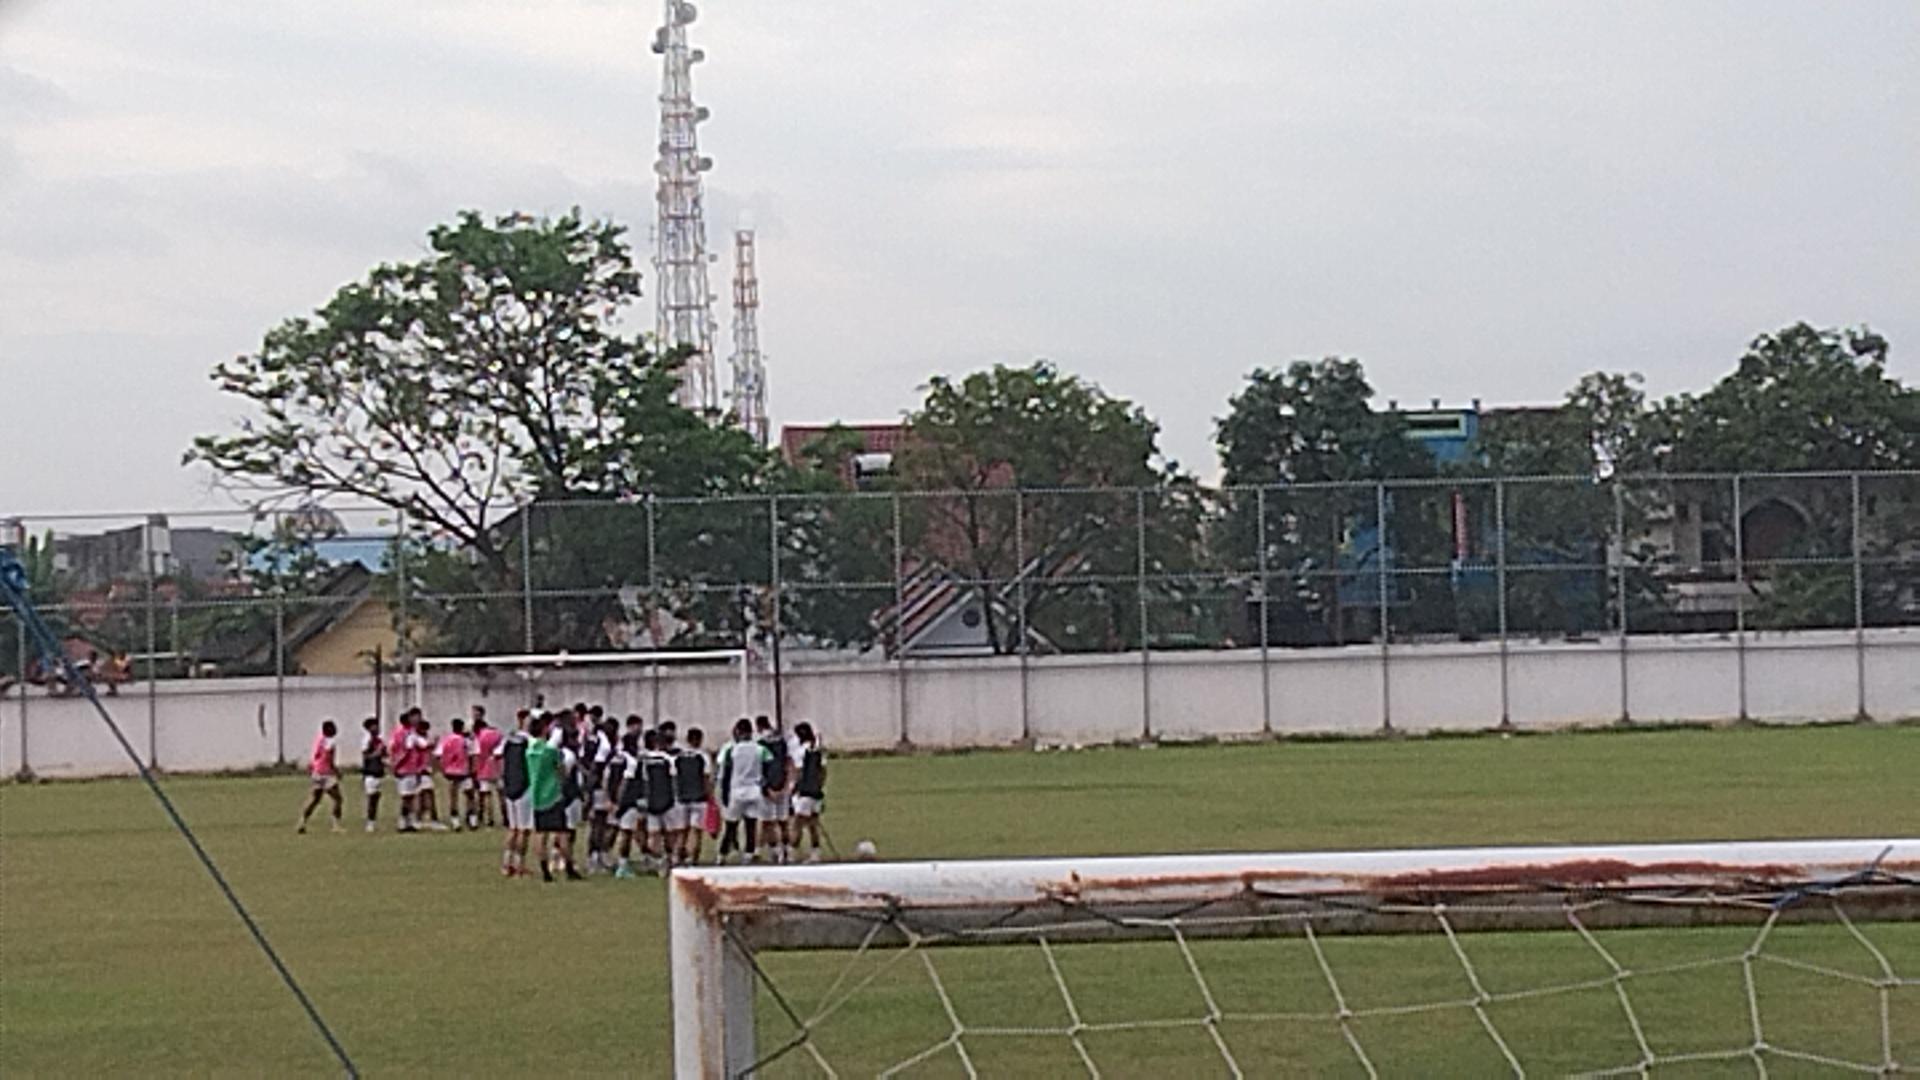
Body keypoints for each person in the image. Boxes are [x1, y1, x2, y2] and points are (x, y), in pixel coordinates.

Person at [525, 714, 577, 882]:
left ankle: (544, 870)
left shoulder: (530, 751)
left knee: (541, 834)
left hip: (537, 796)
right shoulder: (550, 751)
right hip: (553, 795)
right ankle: (569, 867)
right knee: (562, 833)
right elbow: (561, 770)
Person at [718, 718, 769, 864]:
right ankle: (748, 854)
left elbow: (726, 772)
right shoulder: (760, 749)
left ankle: (722, 854)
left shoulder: (732, 750)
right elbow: (769, 764)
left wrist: (724, 793)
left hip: (737, 790)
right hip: (754, 790)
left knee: (731, 825)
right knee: (751, 824)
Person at [756, 716, 796, 864]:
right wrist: (786, 785)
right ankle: (788, 851)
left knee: (767, 822)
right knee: (784, 821)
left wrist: (766, 789)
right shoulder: (782, 742)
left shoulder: (759, 744)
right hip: (782, 785)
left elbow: (759, 769)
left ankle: (775, 852)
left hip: (768, 788)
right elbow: (788, 763)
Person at [499, 711, 534, 878]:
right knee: (523, 829)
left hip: (509, 786)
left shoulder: (508, 739)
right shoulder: (529, 741)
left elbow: (498, 756)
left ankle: (506, 864)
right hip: (524, 787)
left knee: (512, 828)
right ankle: (520, 865)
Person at [673, 726, 713, 866]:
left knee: (682, 831)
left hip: (682, 797)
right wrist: (710, 796)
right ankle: (692, 859)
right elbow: (706, 778)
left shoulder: (678, 757)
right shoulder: (703, 757)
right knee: (696, 830)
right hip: (699, 797)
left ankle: (677, 857)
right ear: (700, 740)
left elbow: (675, 777)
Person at [297, 720, 344, 833]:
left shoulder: (319, 740)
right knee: (338, 799)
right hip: (326, 773)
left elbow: (316, 756)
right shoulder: (331, 742)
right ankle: (335, 825)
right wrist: (337, 772)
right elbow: (329, 759)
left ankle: (303, 823)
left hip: (317, 772)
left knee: (315, 799)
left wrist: (313, 768)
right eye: (333, 728)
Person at [640, 728, 677, 873]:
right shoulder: (667, 759)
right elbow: (673, 779)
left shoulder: (644, 759)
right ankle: (669, 858)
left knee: (653, 834)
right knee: (670, 833)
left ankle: (659, 859)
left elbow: (644, 781)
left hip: (651, 802)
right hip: (667, 800)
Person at [792, 722, 829, 862]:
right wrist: (819, 787)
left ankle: (792, 853)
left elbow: (799, 772)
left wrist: (795, 789)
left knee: (797, 824)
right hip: (816, 792)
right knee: (813, 824)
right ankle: (815, 852)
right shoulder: (818, 750)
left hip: (804, 792)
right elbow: (823, 772)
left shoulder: (801, 751)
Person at [613, 730, 646, 879]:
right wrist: (622, 804)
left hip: (614, 798)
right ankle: (622, 865)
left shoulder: (617, 757)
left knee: (624, 831)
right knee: (626, 832)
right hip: (628, 801)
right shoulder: (632, 762)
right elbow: (626, 783)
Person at [436, 718, 473, 831]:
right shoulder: (465, 741)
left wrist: (442, 768)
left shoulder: (446, 740)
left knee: (454, 796)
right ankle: (471, 818)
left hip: (450, 771)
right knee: (469, 795)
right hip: (464, 771)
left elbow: (438, 755)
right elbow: (472, 754)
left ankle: (455, 820)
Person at [471, 717, 503, 828]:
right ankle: (506, 817)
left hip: (484, 769)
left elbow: (476, 755)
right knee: (501, 794)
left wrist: (475, 771)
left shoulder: (478, 738)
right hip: (498, 768)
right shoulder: (498, 734)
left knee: (487, 795)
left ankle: (490, 819)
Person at [358, 716, 386, 832]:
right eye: (375, 725)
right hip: (370, 772)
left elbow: (384, 754)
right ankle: (370, 823)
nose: (378, 728)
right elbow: (366, 756)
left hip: (378, 772)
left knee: (376, 797)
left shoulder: (379, 740)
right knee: (372, 797)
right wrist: (377, 753)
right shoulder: (367, 740)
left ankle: (372, 821)